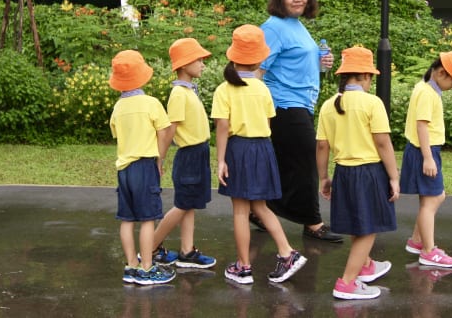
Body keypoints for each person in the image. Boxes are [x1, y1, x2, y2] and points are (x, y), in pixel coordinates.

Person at [211, 24, 308, 285]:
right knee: (261, 207)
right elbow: (267, 122)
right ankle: (287, 252)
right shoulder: (263, 89)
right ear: (259, 59)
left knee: (241, 211)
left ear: (233, 56)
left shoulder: (225, 89)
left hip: (239, 149)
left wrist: (220, 160)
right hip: (263, 148)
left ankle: (243, 266)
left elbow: (223, 126)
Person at [257, 0, 342, 243]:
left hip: (301, 103)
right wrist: (252, 106)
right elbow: (258, 69)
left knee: (285, 164)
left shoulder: (297, 25)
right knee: (306, 163)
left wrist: (320, 64)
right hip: (284, 104)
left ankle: (260, 211)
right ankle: (313, 223)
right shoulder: (273, 27)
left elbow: (293, 63)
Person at [316, 46, 400, 300]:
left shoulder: (329, 105)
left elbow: (322, 145)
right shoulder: (372, 103)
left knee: (358, 220)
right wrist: (394, 177)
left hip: (343, 172)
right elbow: (383, 142)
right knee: (368, 228)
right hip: (369, 172)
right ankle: (347, 282)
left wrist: (323, 177)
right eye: (371, 77)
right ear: (364, 76)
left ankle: (366, 264)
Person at [401, 49, 452, 269]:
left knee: (433, 197)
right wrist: (427, 158)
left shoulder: (425, 89)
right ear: (442, 72)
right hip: (424, 151)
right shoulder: (426, 93)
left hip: (425, 151)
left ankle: (417, 241)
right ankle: (428, 251)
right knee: (432, 199)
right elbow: (421, 125)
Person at [108, 49, 176, 286]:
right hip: (145, 165)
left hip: (124, 169)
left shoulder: (118, 107)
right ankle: (147, 268)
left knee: (127, 219)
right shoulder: (151, 103)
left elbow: (117, 134)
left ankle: (131, 266)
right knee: (148, 219)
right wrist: (159, 159)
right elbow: (164, 131)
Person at [148, 37, 217, 270]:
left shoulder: (188, 91)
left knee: (189, 205)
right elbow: (170, 130)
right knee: (182, 205)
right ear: (185, 64)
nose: (203, 64)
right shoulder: (178, 94)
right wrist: (160, 158)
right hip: (188, 155)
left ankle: (187, 251)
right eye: (198, 60)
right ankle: (151, 247)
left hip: (199, 152)